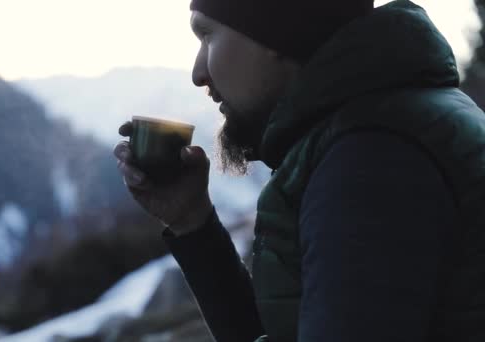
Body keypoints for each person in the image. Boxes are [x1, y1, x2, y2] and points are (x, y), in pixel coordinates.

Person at [114, 0, 485, 341]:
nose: (198, 72)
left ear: (274, 27)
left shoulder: (370, 162)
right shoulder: (379, 127)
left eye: (207, 34)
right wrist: (191, 222)